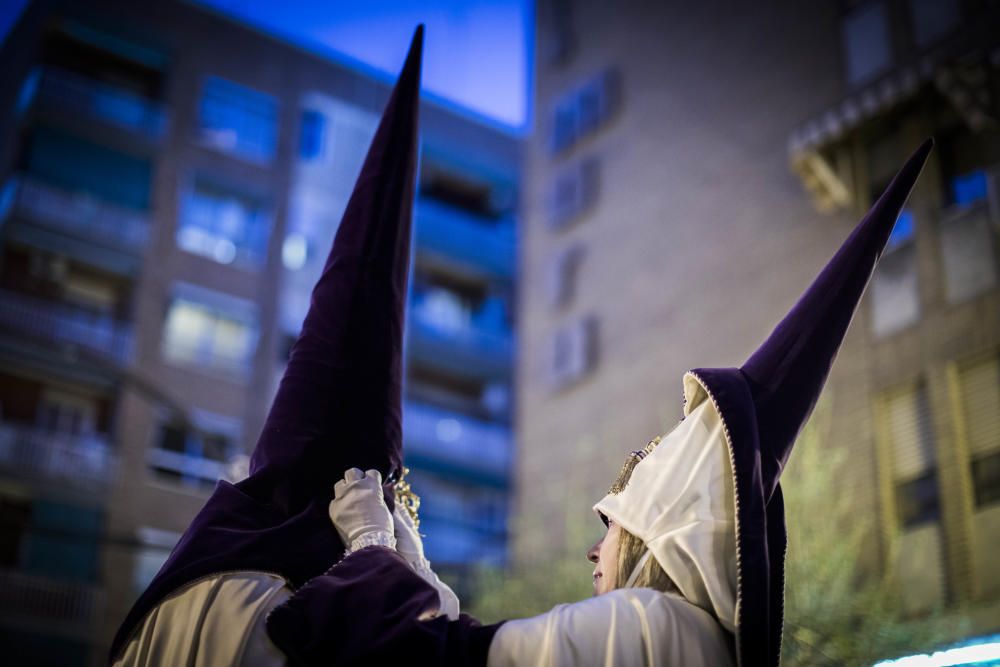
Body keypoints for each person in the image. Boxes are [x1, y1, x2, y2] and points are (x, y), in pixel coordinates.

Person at [109, 18, 936, 665]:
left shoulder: (653, 631)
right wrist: (406, 560)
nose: (592, 543)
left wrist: (370, 545)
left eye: (612, 520)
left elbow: (423, 660)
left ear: (660, 527)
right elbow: (468, 648)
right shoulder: (674, 637)